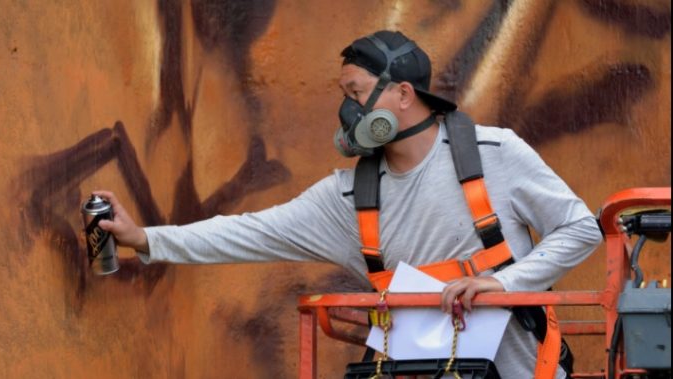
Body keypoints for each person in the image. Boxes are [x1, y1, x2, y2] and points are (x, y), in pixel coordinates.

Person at [94, 30, 602, 378]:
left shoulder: (495, 153)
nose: (347, 110)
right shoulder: (348, 197)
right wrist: (144, 239)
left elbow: (581, 229)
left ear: (404, 95)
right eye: (345, 94)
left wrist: (502, 283)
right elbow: (250, 231)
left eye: (356, 92)